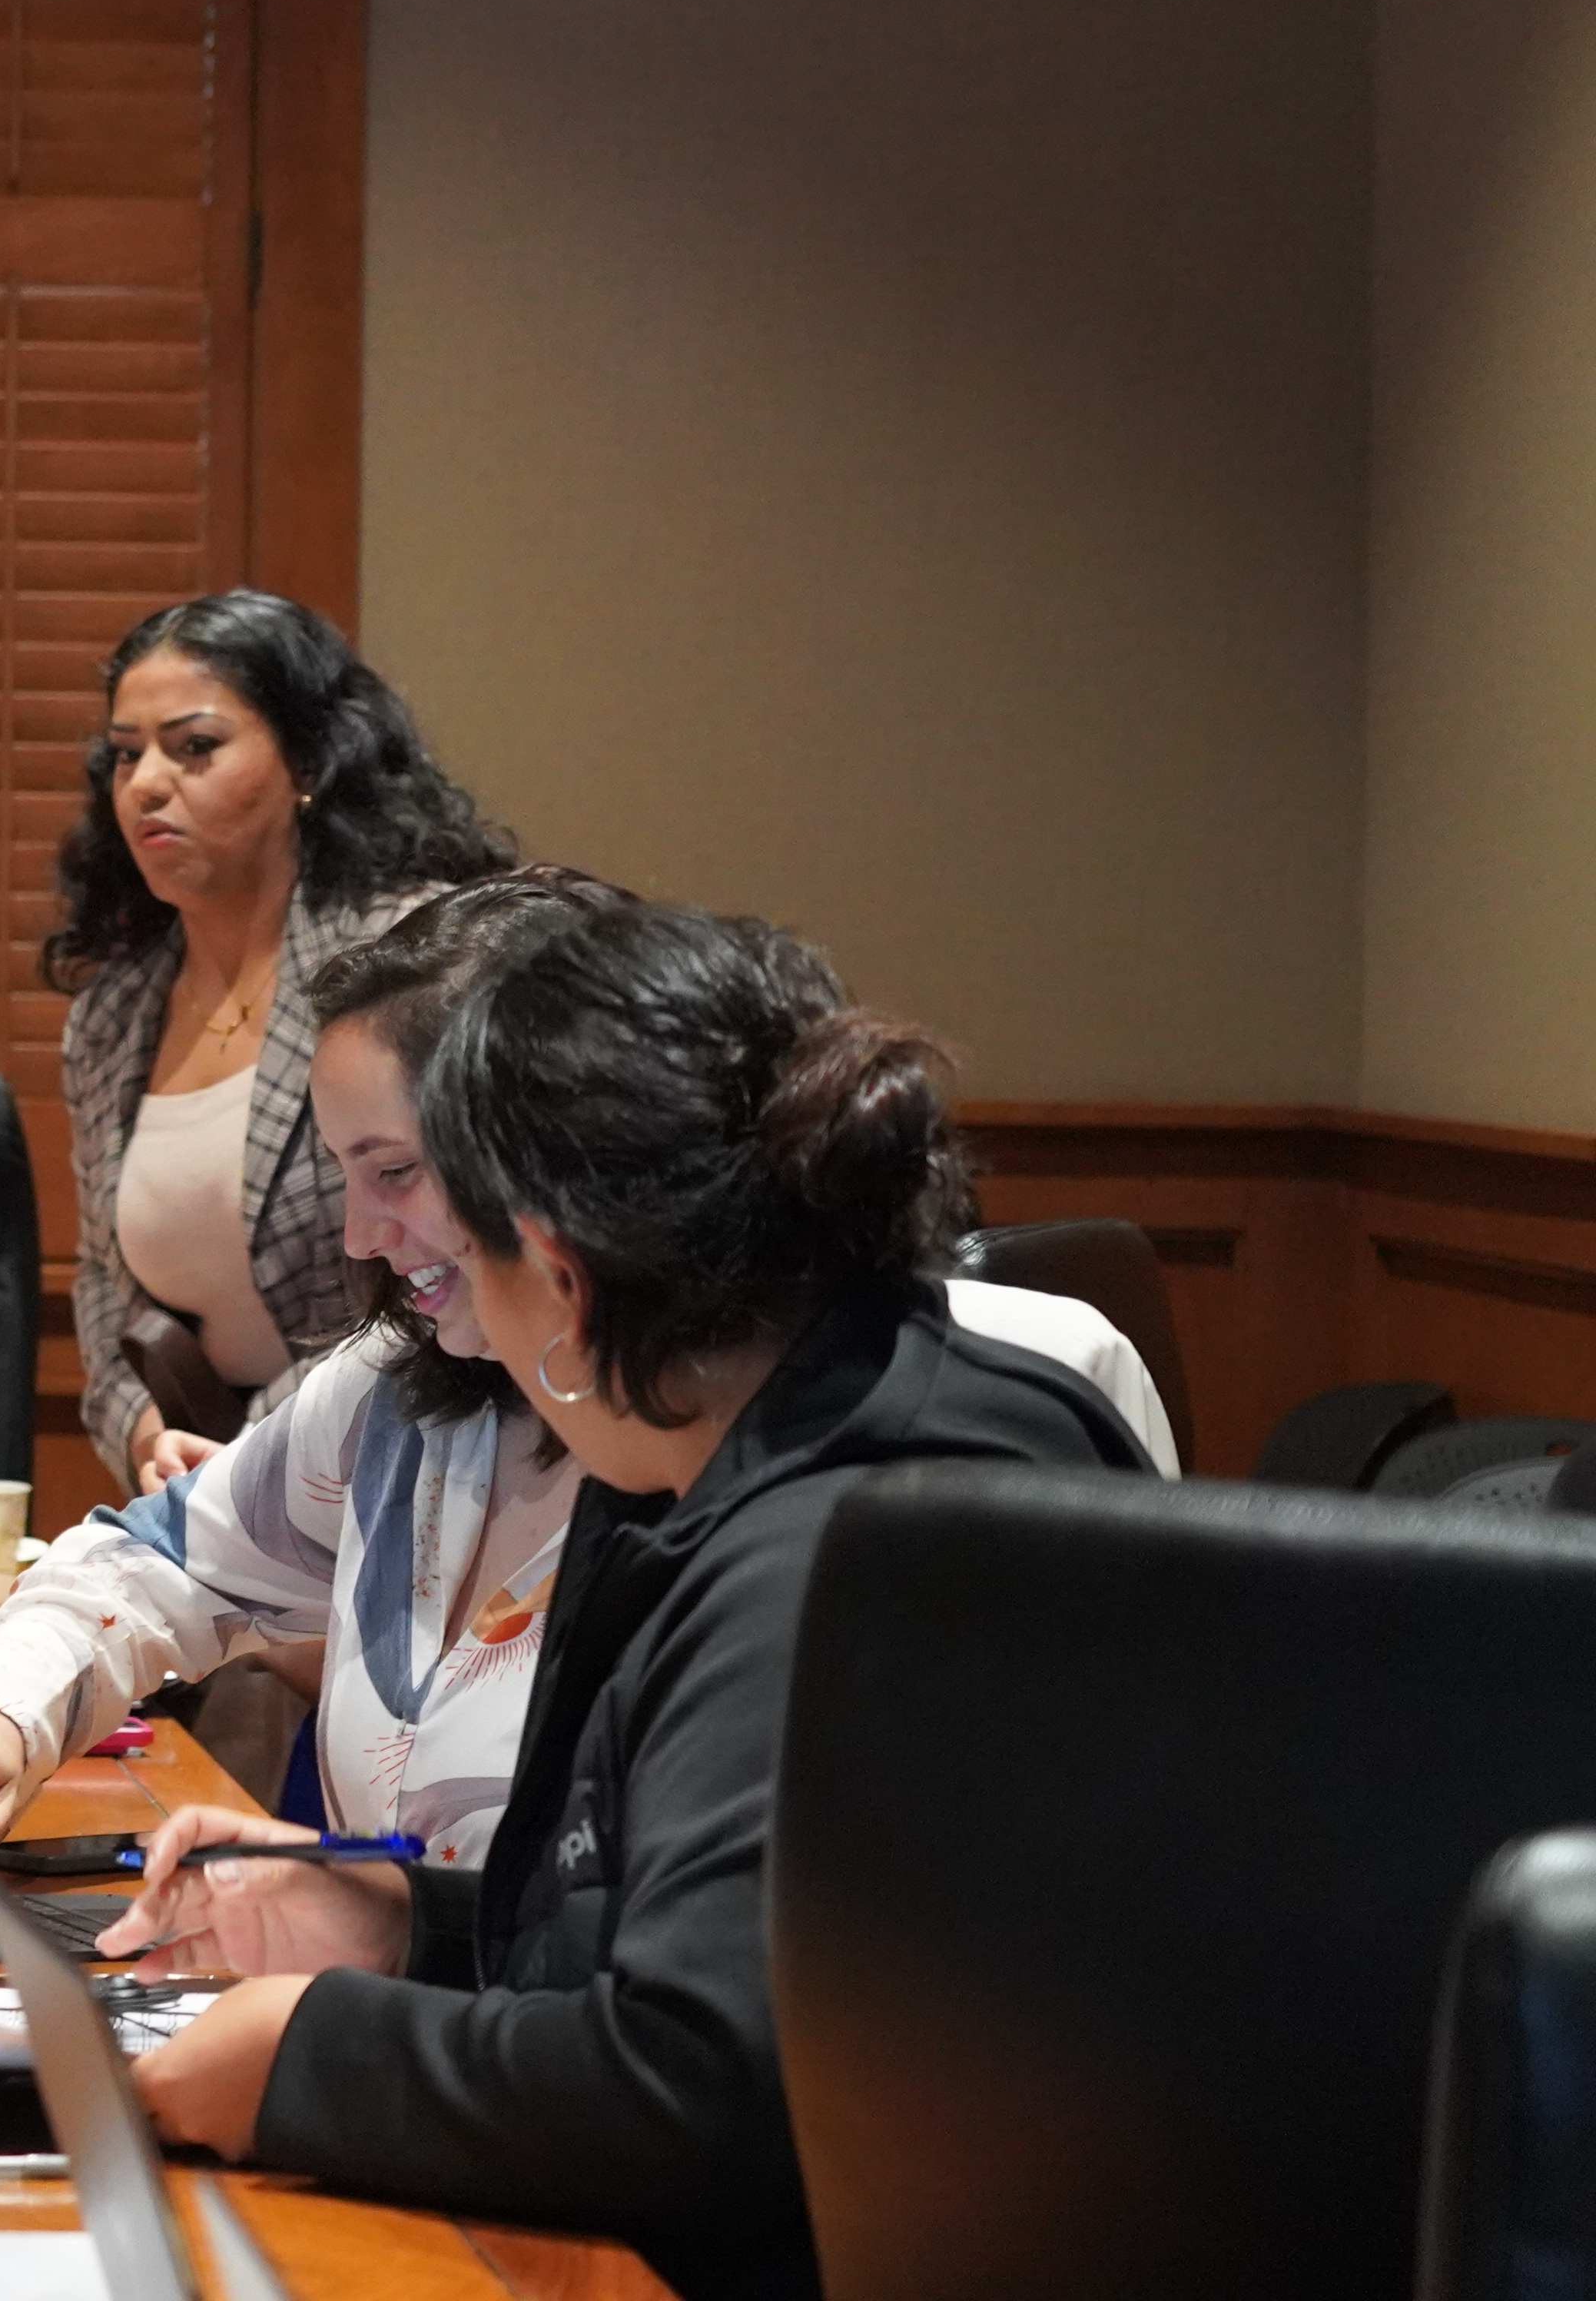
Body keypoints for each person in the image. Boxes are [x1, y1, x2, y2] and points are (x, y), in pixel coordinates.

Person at [87, 899, 1156, 2301]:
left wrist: (316, 2062)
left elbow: (700, 2089)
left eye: (465, 1254)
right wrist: (408, 1931)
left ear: (568, 1279)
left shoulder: (836, 1537)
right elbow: (730, 1965)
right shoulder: (785, 1429)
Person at [0, 873, 1174, 1870]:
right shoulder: (401, 1383)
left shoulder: (955, 1409)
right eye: (342, 1175)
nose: (358, 1237)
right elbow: (163, 1558)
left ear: (568, 1166)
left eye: (396, 1173)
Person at [48, 589, 516, 1494]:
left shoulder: (409, 966)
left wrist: (265, 1450)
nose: (146, 782)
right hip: (212, 1490)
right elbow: (104, 1285)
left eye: (194, 748)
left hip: (431, 1462)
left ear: (306, 758)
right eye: (124, 753)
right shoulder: (111, 1012)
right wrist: (145, 1431)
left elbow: (450, 1254)